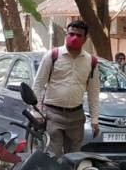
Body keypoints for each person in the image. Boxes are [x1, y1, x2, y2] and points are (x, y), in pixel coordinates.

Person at [33, 20, 100, 156]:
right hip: (53, 114)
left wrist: (94, 120)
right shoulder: (52, 56)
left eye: (79, 35)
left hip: (76, 116)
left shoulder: (91, 62)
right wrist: (37, 112)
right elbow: (38, 84)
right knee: (54, 155)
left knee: (73, 157)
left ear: (85, 39)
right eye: (71, 34)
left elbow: (94, 92)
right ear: (66, 35)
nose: (74, 38)